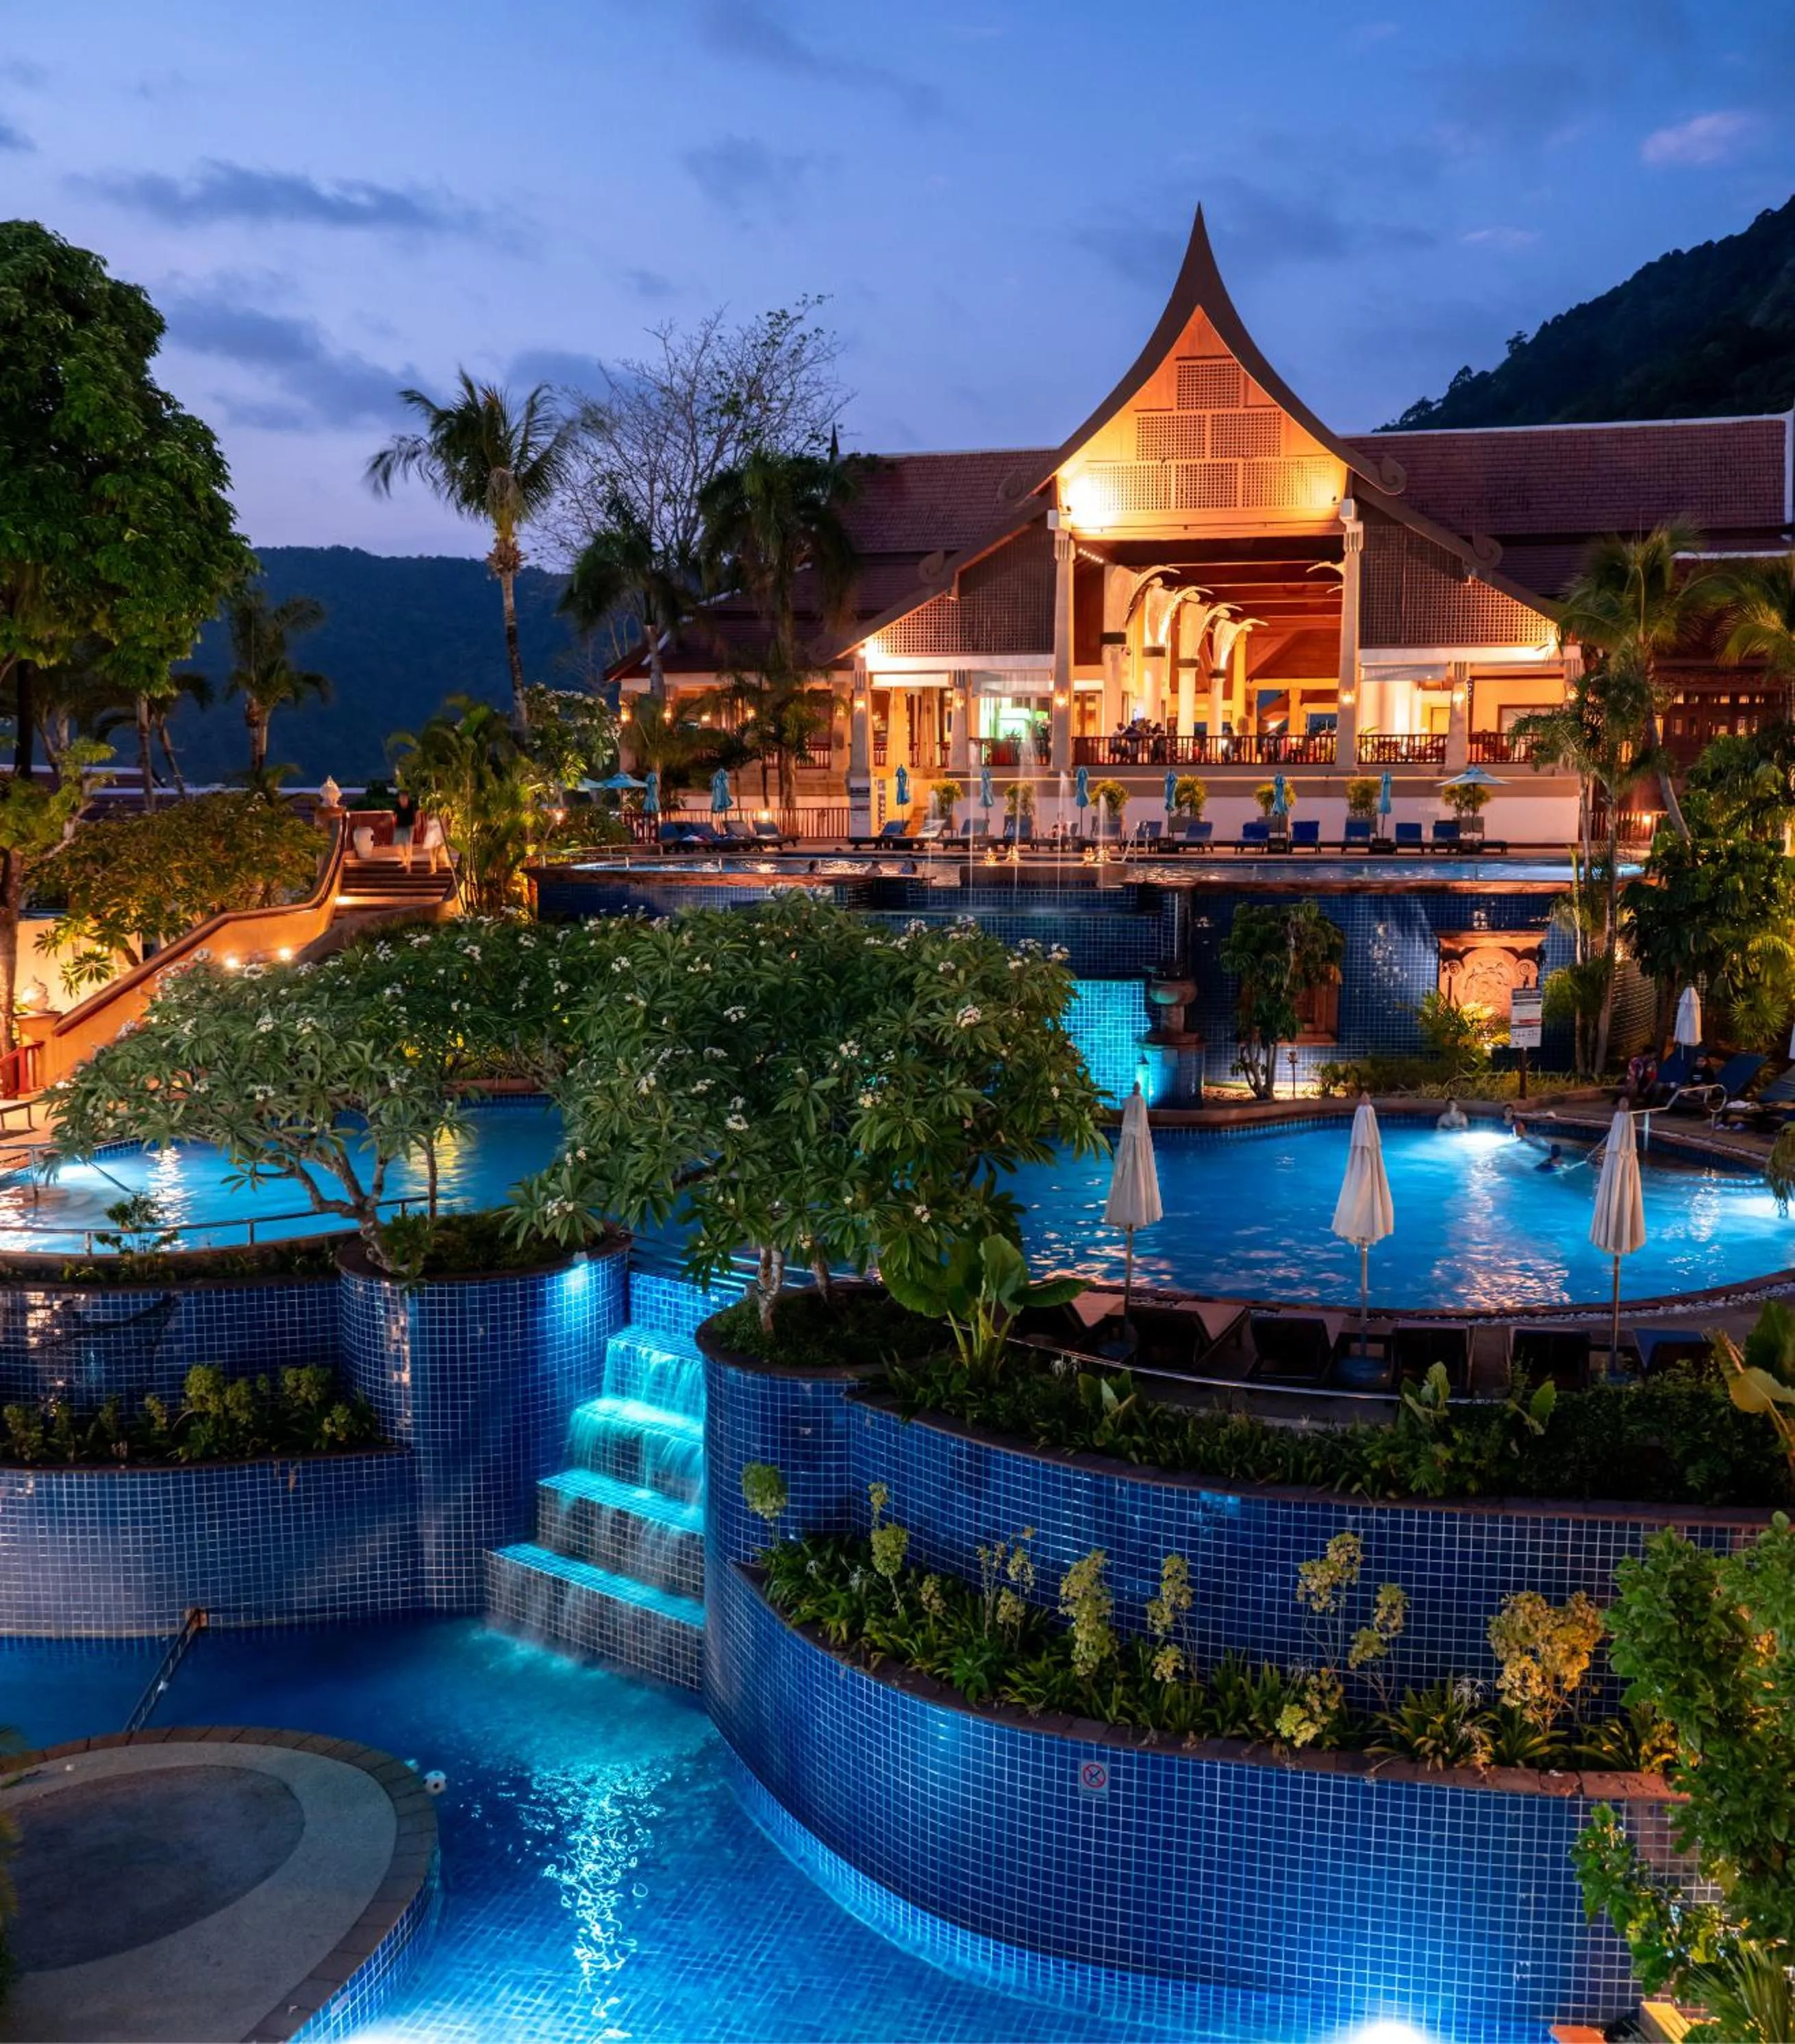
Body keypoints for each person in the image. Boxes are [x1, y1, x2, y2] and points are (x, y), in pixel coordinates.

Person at [391, 787, 419, 870]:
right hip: (399, 826)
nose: (401, 799)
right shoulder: (398, 805)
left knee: (408, 846)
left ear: (406, 797)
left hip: (409, 827)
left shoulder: (411, 805)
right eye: (400, 797)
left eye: (403, 797)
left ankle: (408, 866)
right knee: (398, 846)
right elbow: (394, 814)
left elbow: (417, 813)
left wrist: (417, 823)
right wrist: (391, 820)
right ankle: (404, 860)